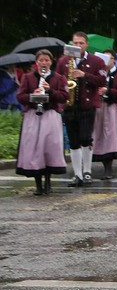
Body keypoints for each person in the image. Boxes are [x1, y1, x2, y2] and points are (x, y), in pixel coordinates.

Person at [15, 50, 69, 195]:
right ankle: (38, 184)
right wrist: (34, 96)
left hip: (50, 114)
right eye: (41, 60)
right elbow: (20, 96)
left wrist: (49, 90)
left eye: (46, 60)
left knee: (49, 147)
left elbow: (64, 96)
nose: (43, 63)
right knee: (35, 148)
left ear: (51, 62)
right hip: (33, 115)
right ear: (36, 62)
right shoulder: (28, 77)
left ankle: (48, 182)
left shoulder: (58, 78)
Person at [57, 32, 107, 186]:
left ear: (86, 44)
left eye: (81, 43)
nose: (78, 46)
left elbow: (102, 80)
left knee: (86, 138)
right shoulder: (64, 60)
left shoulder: (96, 61)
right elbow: (57, 80)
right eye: (75, 43)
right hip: (70, 105)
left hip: (87, 105)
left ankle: (87, 172)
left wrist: (84, 75)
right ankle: (77, 174)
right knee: (73, 141)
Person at [91, 50, 117, 180]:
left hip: (113, 108)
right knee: (98, 136)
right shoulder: (98, 73)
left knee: (110, 137)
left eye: (109, 58)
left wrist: (108, 91)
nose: (107, 61)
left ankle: (108, 169)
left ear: (114, 60)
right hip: (98, 107)